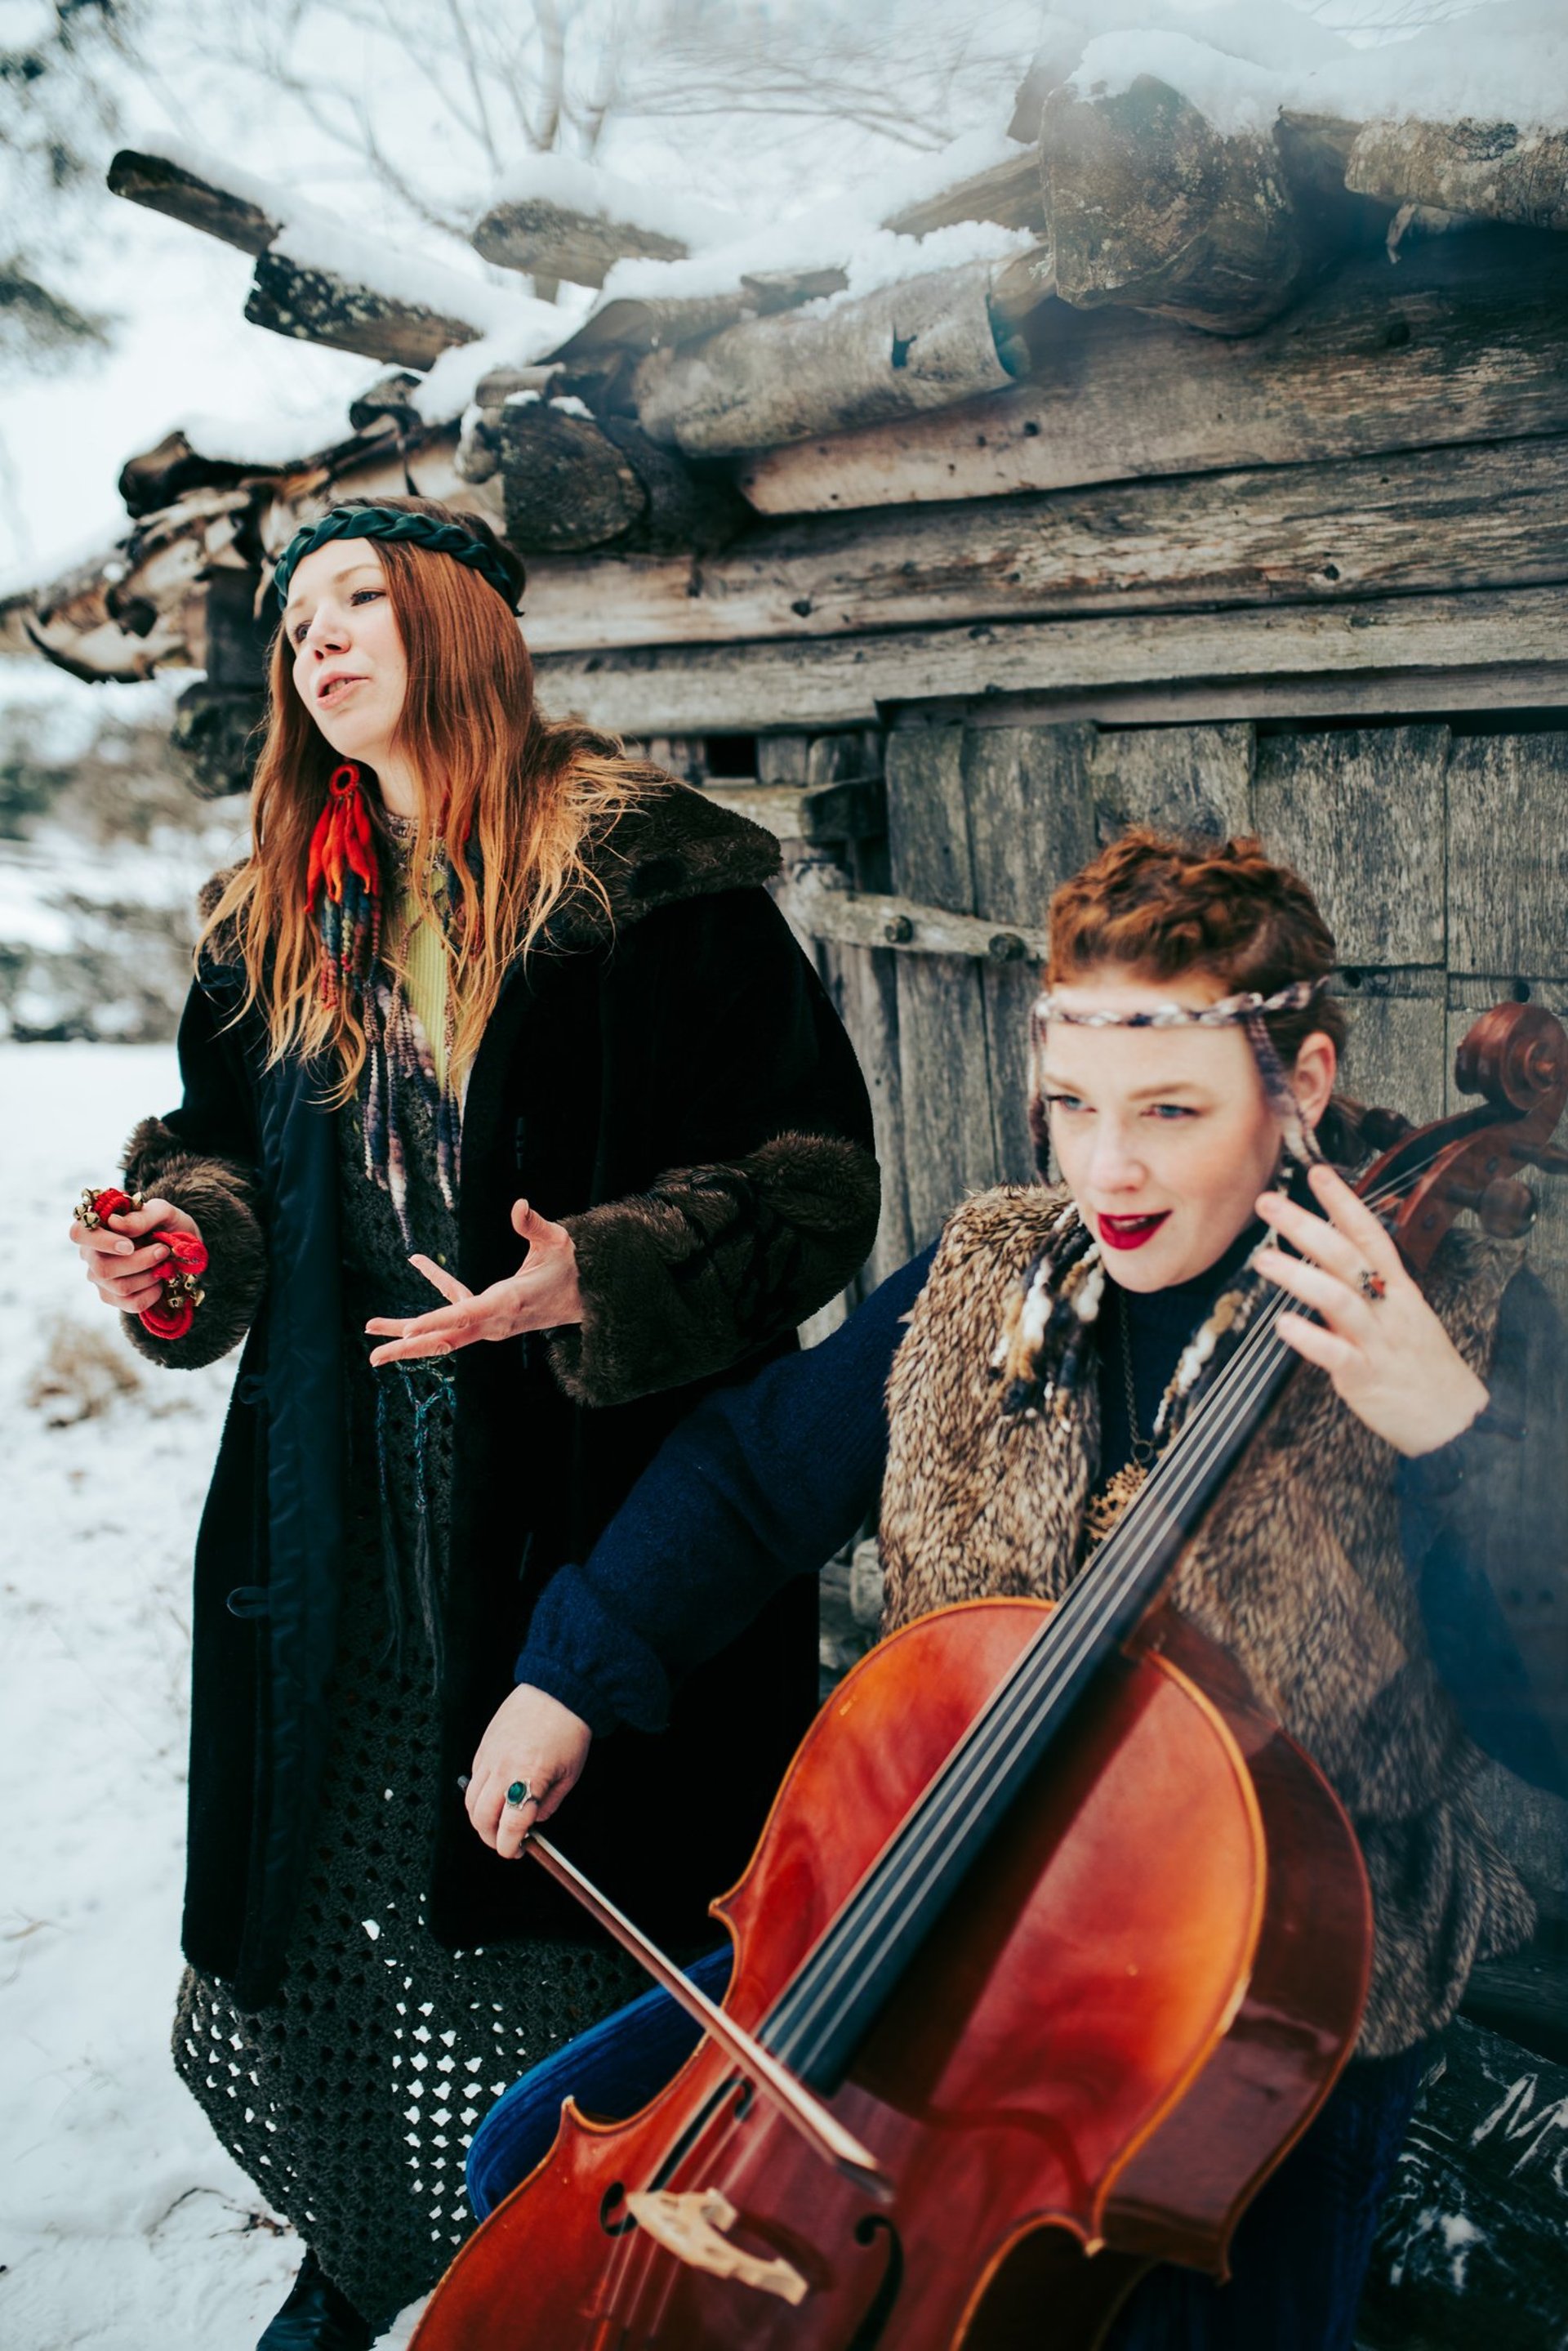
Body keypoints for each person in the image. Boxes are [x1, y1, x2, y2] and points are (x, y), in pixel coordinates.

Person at [467, 829, 1568, 2351]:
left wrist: (1451, 1425)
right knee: (530, 2147)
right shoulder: (993, 1275)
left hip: (1258, 1990)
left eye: (1170, 1111)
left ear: (1301, 1085)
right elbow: (751, 1473)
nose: (1104, 1171)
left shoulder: (1451, 1324)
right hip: (926, 1894)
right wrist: (574, 1665)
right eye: (1072, 1108)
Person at [67, 495, 880, 2349]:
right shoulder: (278, 907)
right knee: (346, 1881)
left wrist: (597, 1269)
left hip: (589, 1489)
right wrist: (184, 1241)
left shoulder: (652, 886)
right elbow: (229, 1159)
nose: (317, 640)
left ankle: (605, 2256)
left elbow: (818, 1184)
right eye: (292, 623)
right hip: (342, 1501)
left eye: (356, 598)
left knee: (581, 1905)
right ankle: (365, 2250)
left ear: (457, 619)